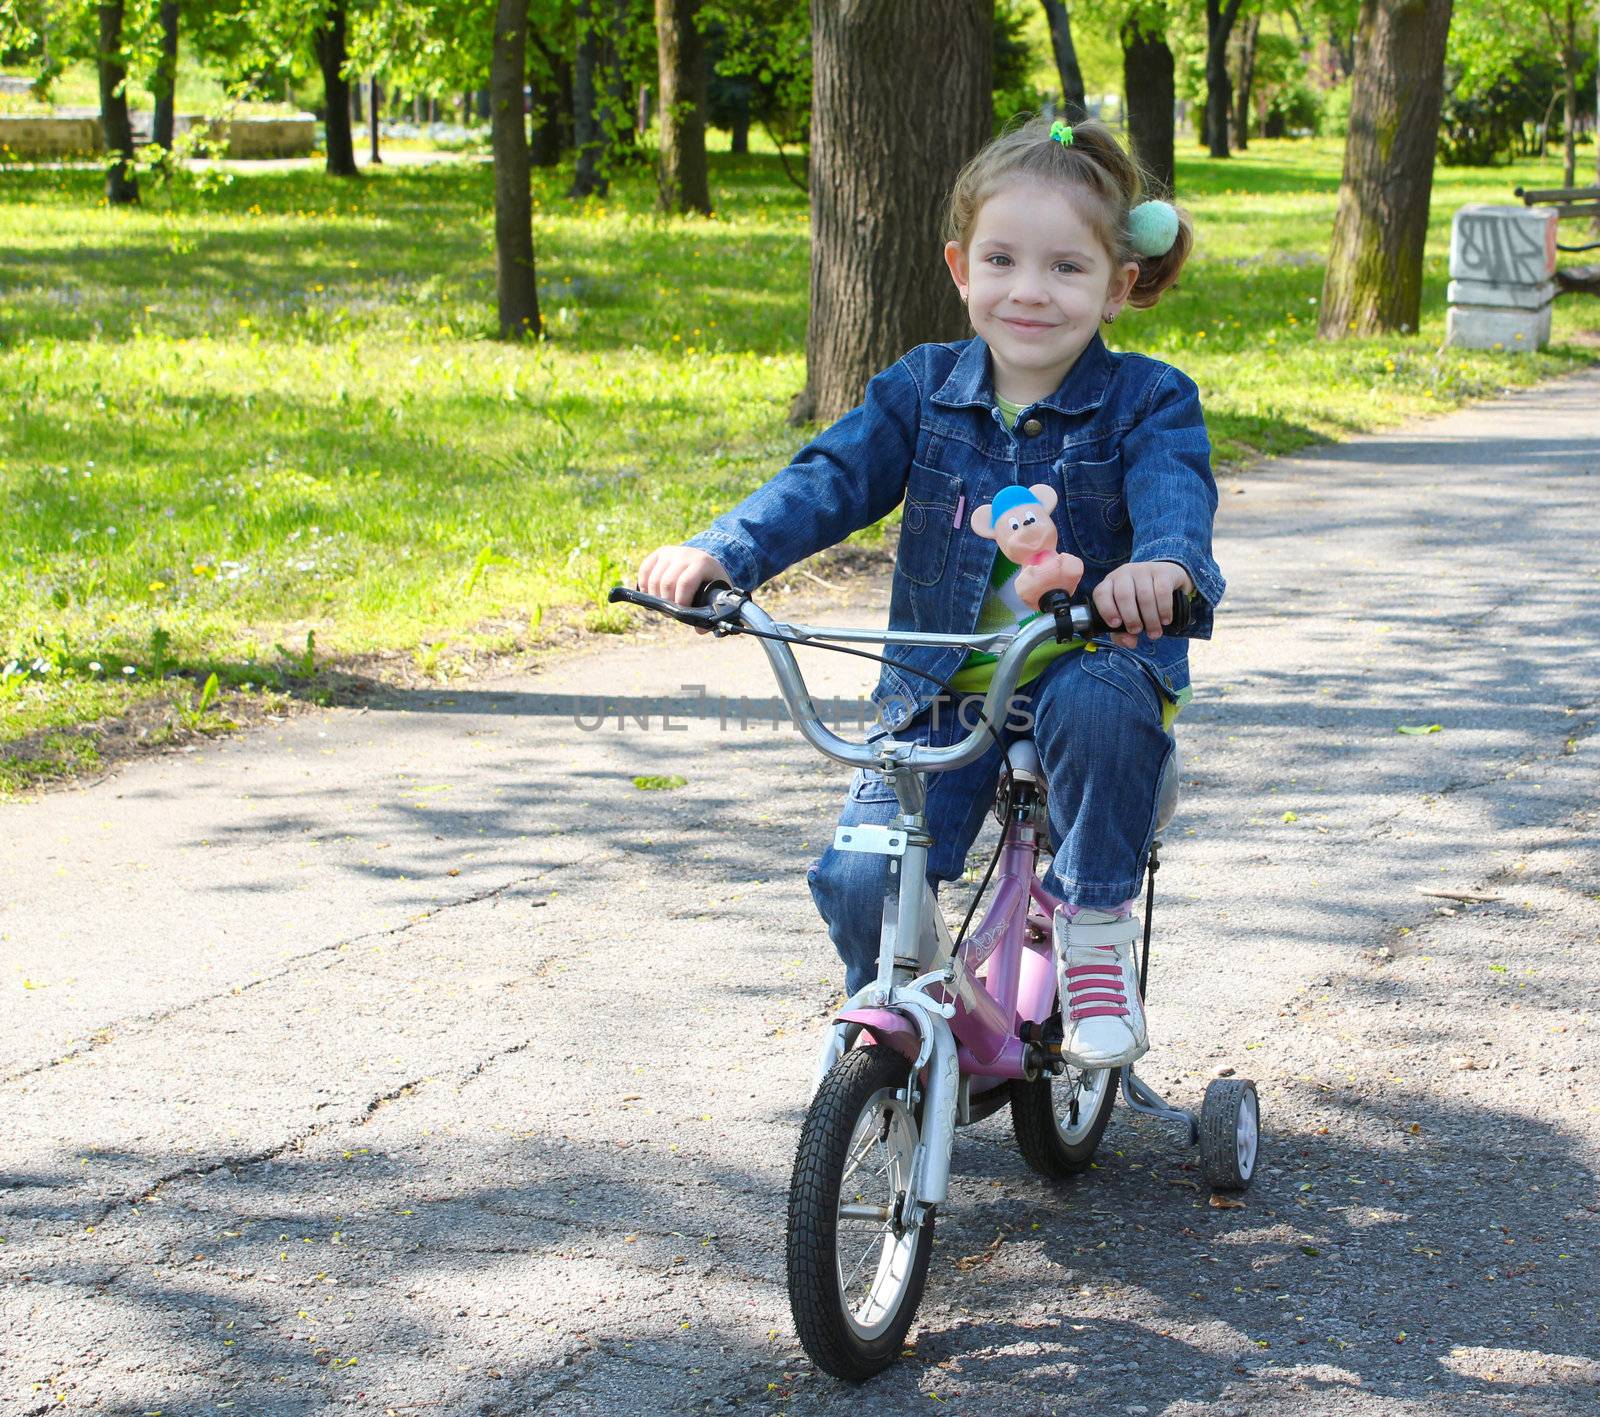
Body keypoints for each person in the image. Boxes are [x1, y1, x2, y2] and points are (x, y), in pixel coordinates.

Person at [634, 116, 1223, 1071]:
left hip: (1087, 670)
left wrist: (1162, 566)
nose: (1029, 290)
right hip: (937, 692)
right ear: (959, 266)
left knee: (1098, 703)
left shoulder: (1149, 400)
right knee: (860, 875)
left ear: (1119, 284)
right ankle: (907, 1010)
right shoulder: (922, 388)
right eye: (1002, 259)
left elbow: (1174, 498)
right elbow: (827, 479)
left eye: (1067, 268)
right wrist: (722, 553)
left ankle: (1096, 926)